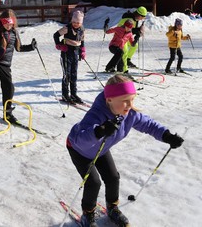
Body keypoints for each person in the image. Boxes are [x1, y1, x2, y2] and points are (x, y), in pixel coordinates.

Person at [66, 74, 184, 227]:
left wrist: (166, 135)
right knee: (93, 182)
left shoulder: (129, 114)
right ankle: (88, 214)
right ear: (109, 100)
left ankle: (112, 207)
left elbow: (148, 124)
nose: (130, 104)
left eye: (132, 99)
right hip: (79, 151)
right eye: (125, 100)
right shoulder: (95, 115)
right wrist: (99, 131)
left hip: (101, 149)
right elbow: (80, 140)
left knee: (113, 177)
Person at [53, 10, 85, 104]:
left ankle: (73, 94)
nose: (75, 24)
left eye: (77, 22)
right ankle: (65, 95)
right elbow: (56, 35)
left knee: (74, 74)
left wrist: (82, 51)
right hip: (66, 52)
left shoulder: (82, 29)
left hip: (75, 52)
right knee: (67, 75)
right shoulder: (67, 28)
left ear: (81, 22)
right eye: (74, 22)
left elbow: (82, 40)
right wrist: (59, 45)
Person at [118, 6, 147, 72]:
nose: (142, 19)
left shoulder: (135, 19)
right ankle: (124, 68)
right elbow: (126, 29)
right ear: (139, 15)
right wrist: (137, 30)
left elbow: (132, 31)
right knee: (124, 51)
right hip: (120, 37)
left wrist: (138, 32)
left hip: (126, 36)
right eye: (142, 17)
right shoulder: (129, 19)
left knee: (134, 45)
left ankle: (127, 60)